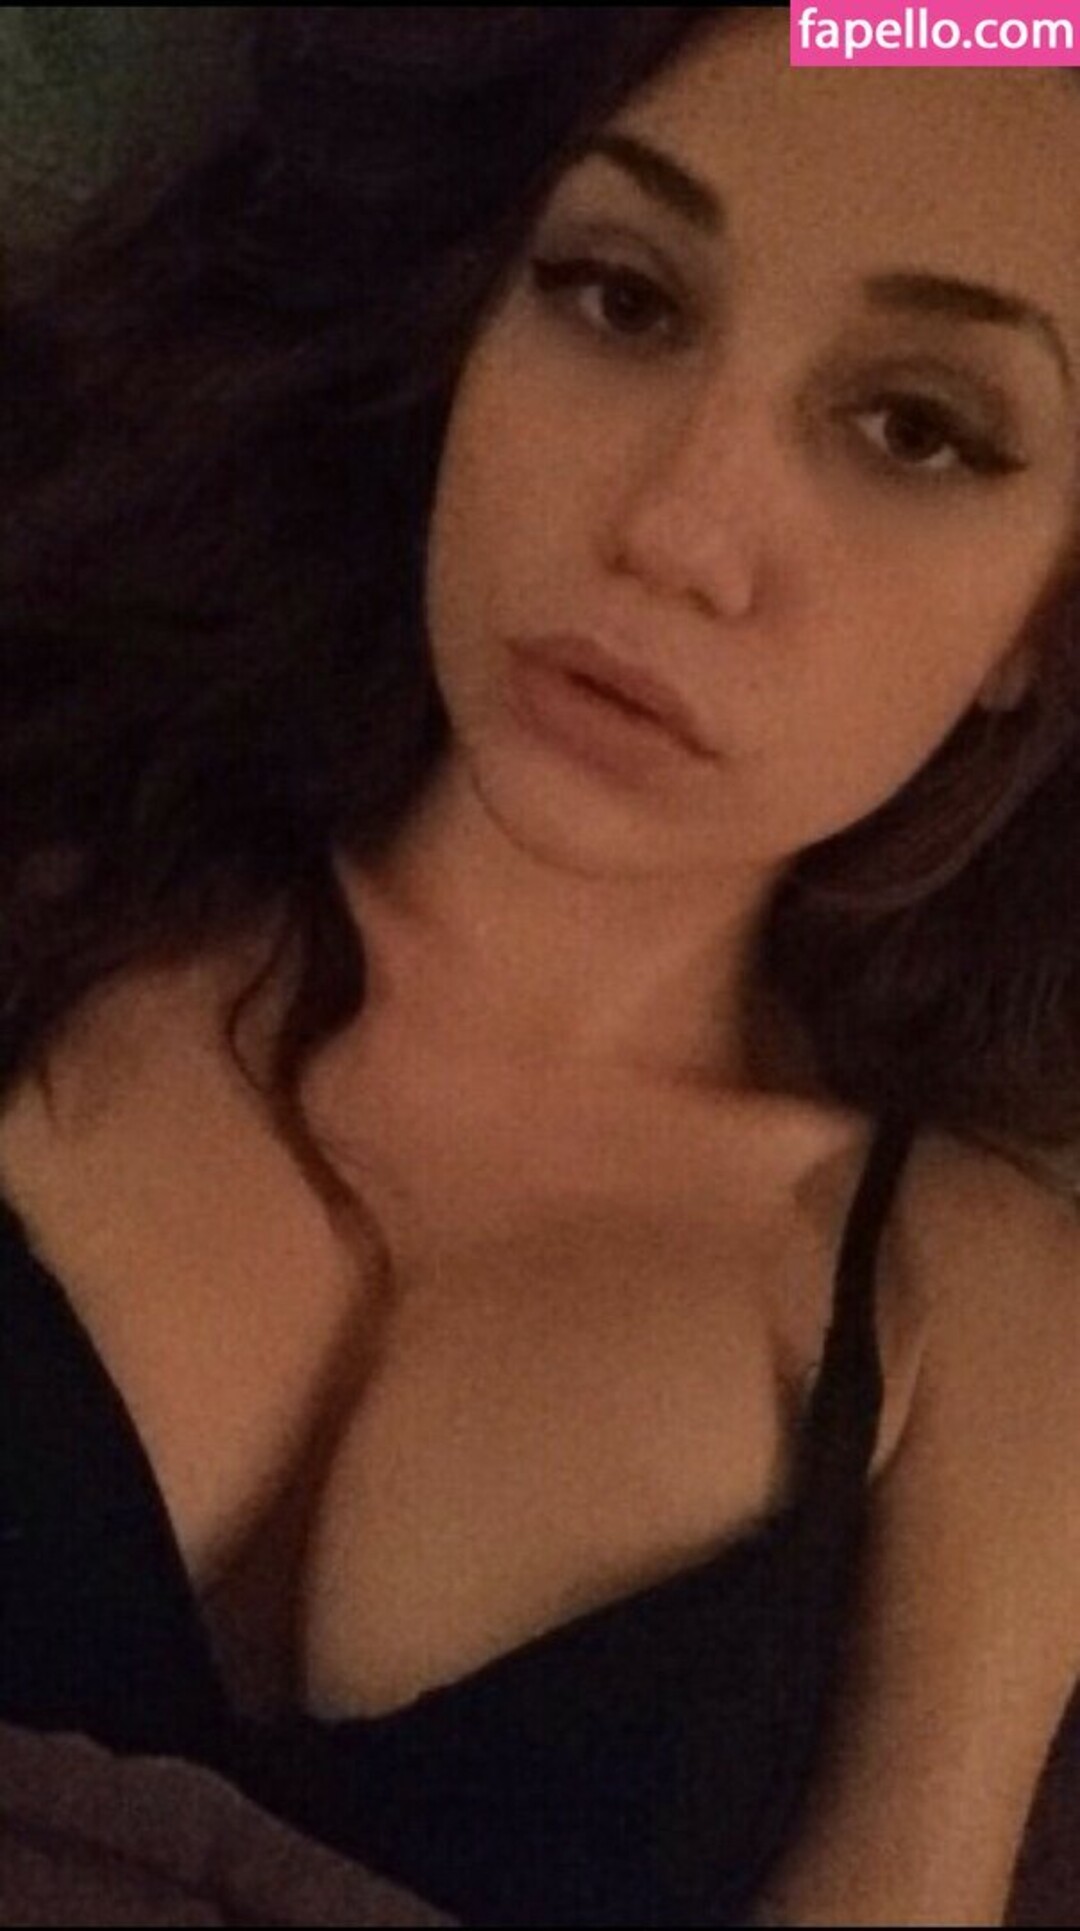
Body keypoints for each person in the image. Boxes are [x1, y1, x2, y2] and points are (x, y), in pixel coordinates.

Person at [1, 7, 1078, 1925]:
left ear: (1040, 625)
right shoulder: (42, 874)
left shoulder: (977, 1315)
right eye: (619, 298)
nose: (675, 531)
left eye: (916, 428)